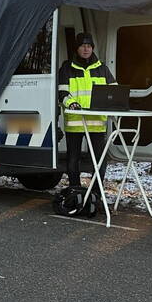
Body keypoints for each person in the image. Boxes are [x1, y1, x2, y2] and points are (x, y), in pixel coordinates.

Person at [57, 33, 115, 199]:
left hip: (97, 123)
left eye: (89, 46)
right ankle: (75, 191)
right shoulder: (67, 68)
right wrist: (71, 104)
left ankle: (96, 192)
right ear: (77, 48)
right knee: (73, 159)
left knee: (99, 160)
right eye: (82, 45)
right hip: (75, 122)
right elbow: (62, 93)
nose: (86, 49)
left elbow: (114, 90)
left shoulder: (102, 68)